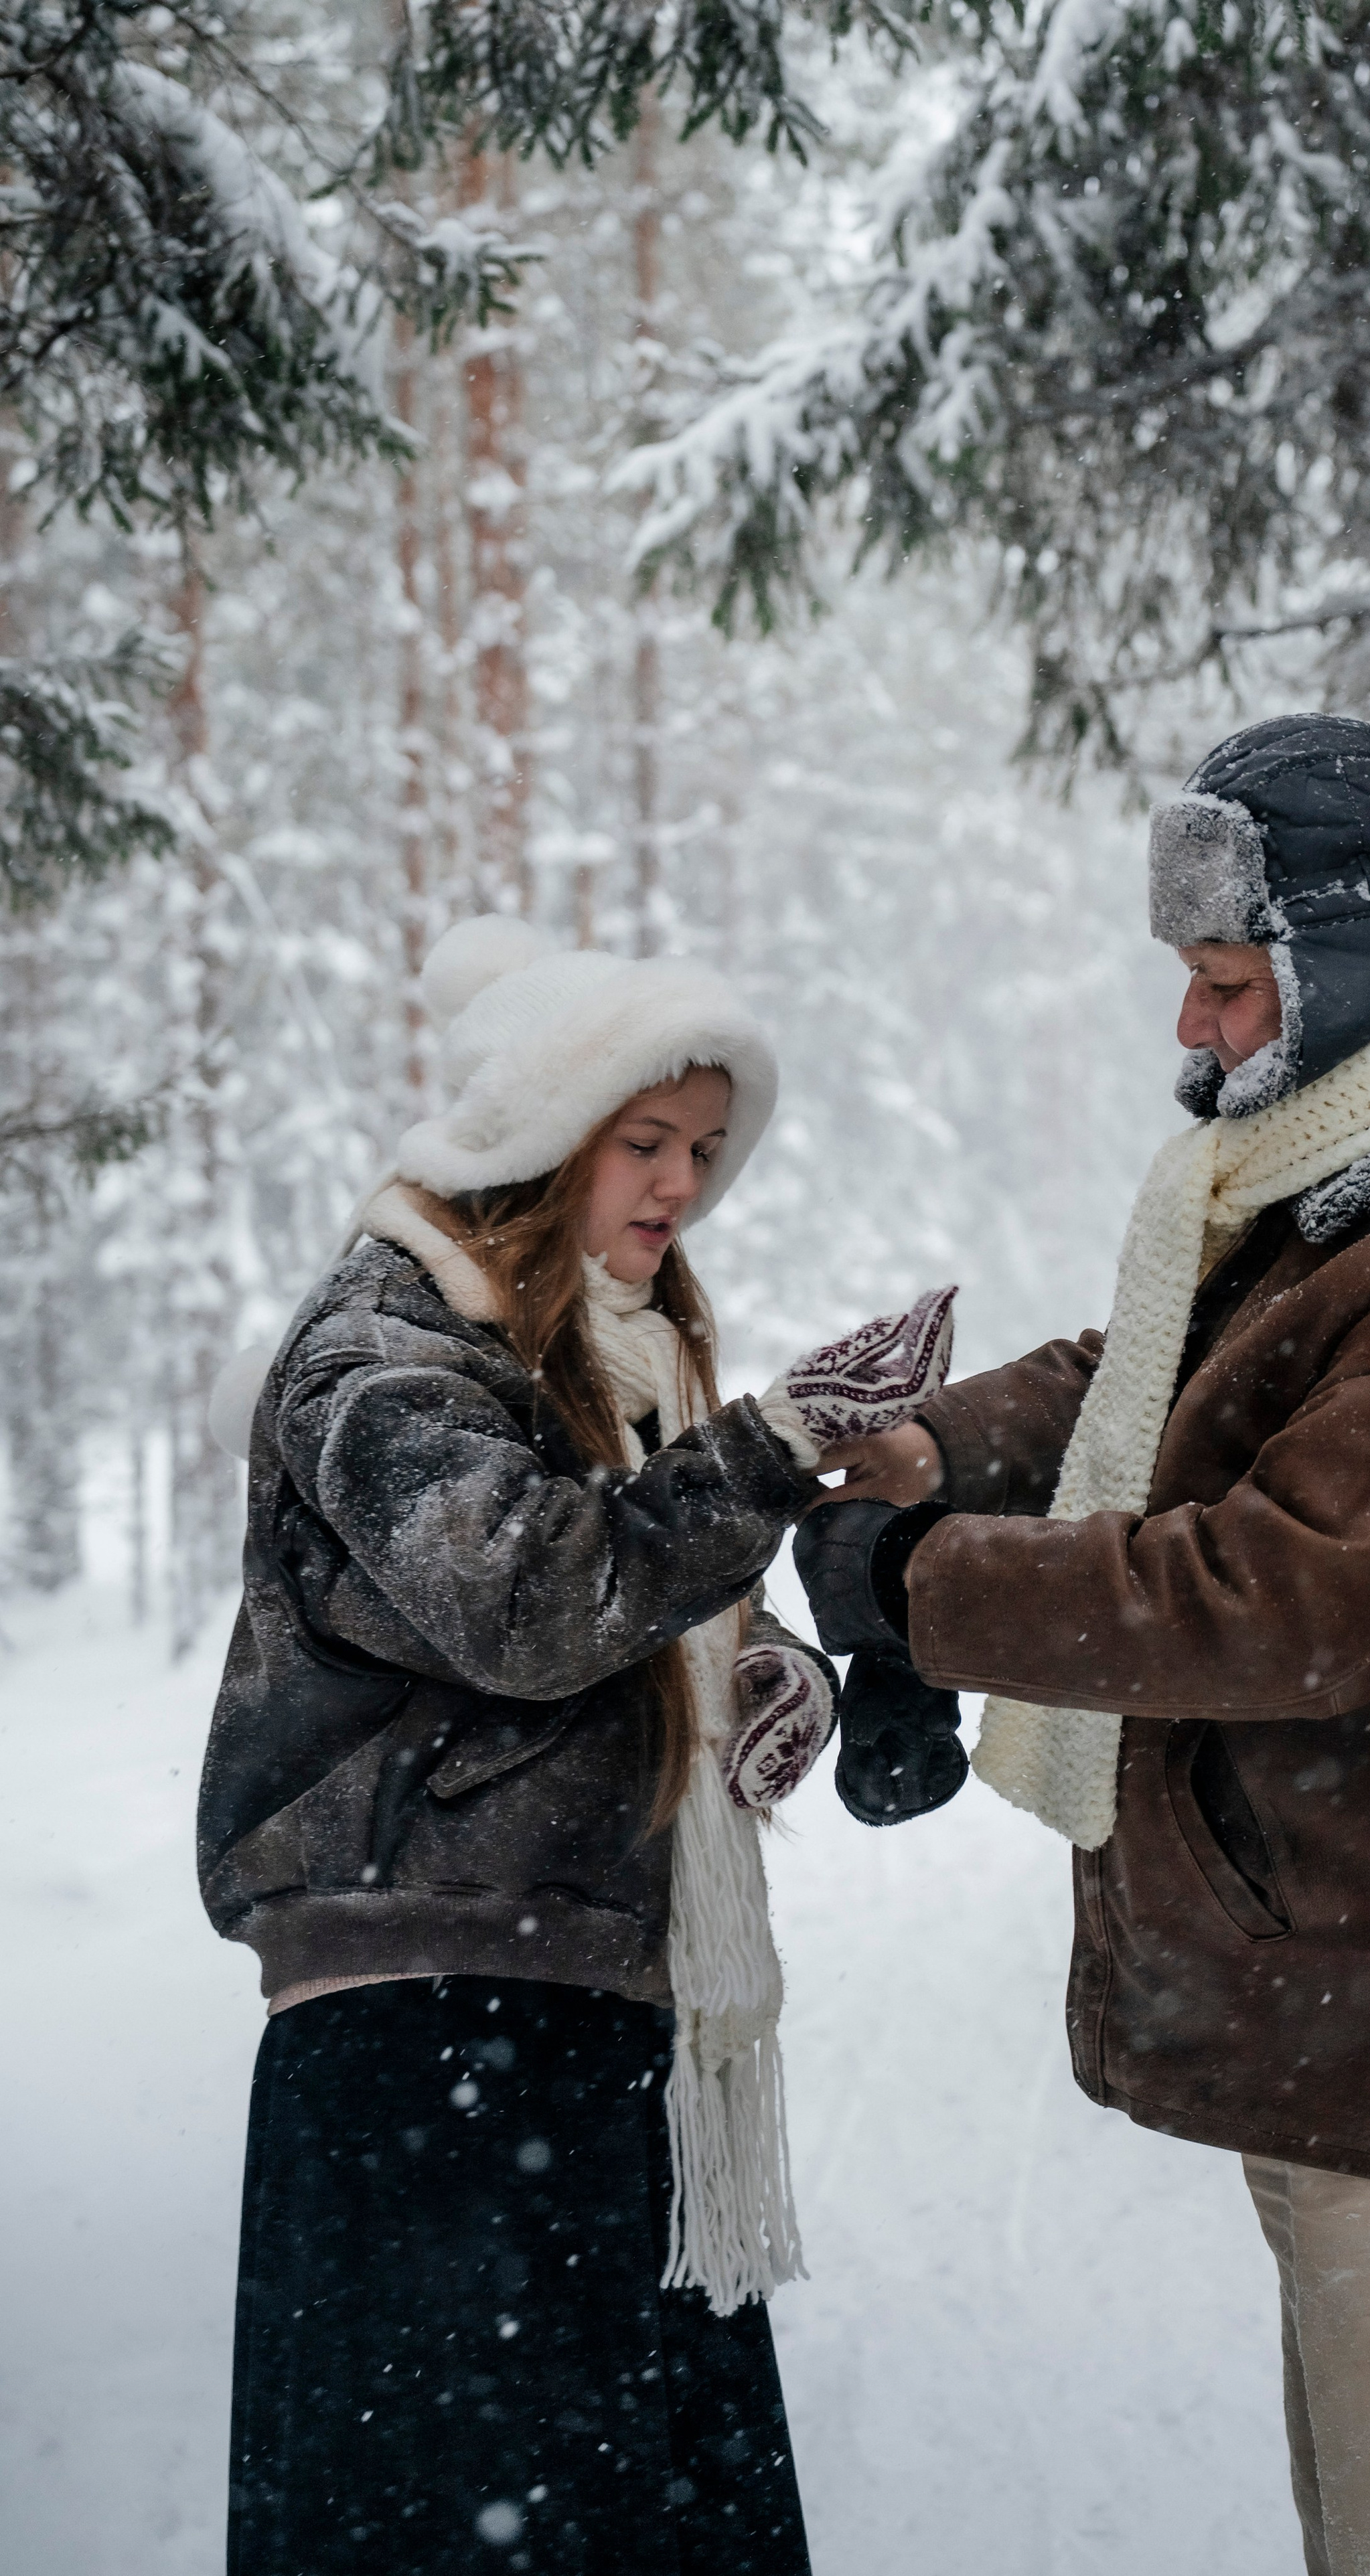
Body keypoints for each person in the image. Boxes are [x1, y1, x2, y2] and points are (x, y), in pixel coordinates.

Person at [797, 715, 1370, 2576]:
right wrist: (939, 1448)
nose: (1192, 1034)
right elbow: (1177, 1385)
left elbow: (1289, 1602)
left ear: (1345, 967)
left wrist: (922, 1583)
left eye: (1221, 984)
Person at [196, 914, 955, 2576]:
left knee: (621, 2513)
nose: (682, 1183)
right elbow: (528, 1593)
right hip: (423, 2038)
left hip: (578, 2012)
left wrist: (742, 1684)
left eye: (701, 1148)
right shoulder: (379, 1354)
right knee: (473, 2519)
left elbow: (607, 1613)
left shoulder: (608, 1358)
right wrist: (765, 1449)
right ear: (538, 1142)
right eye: (644, 1141)